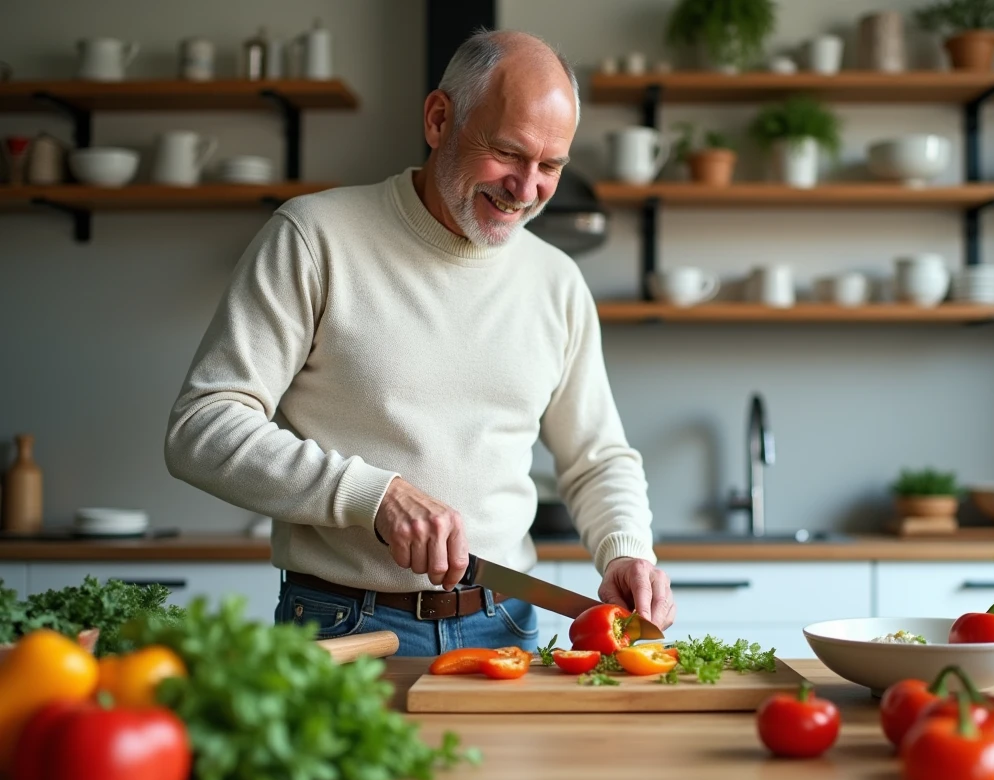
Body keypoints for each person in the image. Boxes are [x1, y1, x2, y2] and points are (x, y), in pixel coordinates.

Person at [163, 28, 675, 656]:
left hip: (508, 626)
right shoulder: (313, 238)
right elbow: (202, 428)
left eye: (550, 167)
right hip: (341, 624)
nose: (526, 188)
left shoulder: (557, 282)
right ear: (439, 119)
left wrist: (627, 550)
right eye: (508, 154)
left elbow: (597, 457)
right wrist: (372, 497)